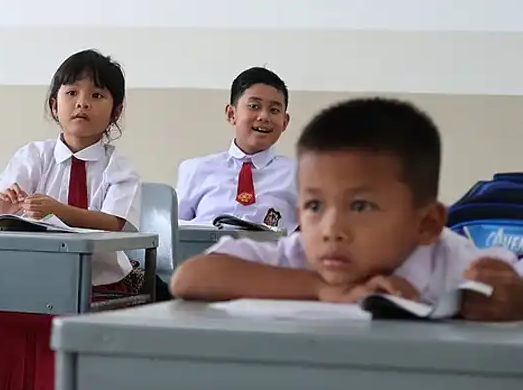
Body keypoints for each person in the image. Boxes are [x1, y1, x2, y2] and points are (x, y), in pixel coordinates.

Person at [170, 97, 523, 317]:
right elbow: (190, 278)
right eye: (314, 205)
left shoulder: (457, 265)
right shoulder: (300, 256)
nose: (330, 229)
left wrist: (515, 301)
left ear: (427, 224)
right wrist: (322, 289)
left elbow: (512, 285)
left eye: (360, 206)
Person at [0, 49, 145, 390]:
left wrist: (58, 211)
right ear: (54, 104)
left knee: (64, 321)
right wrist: (3, 211)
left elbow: (115, 222)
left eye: (97, 95)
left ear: (116, 111)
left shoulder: (119, 166)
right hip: (32, 283)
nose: (82, 103)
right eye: (72, 93)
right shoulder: (33, 156)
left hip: (99, 287)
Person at [176, 66, 297, 230]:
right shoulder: (195, 170)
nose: (264, 117)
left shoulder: (297, 176)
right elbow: (173, 232)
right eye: (254, 106)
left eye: (274, 110)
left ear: (285, 122)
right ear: (231, 114)